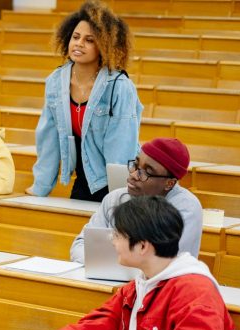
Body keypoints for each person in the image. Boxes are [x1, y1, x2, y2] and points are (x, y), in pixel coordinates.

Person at [29, 196, 237, 330]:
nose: (112, 241)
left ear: (143, 246)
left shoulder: (195, 291)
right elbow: (101, 324)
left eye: (118, 235)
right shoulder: (142, 283)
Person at [28, 0, 141, 201]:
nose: (79, 43)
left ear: (104, 46)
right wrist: (40, 187)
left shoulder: (119, 86)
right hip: (85, 177)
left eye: (90, 40)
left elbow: (121, 147)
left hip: (117, 182)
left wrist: (119, 197)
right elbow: (48, 139)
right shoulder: (55, 82)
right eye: (76, 37)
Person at [69, 137, 202, 263]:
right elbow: (80, 246)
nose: (133, 175)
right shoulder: (114, 198)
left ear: (169, 183)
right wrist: (115, 265)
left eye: (147, 172)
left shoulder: (185, 208)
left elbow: (167, 262)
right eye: (135, 165)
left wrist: (112, 261)